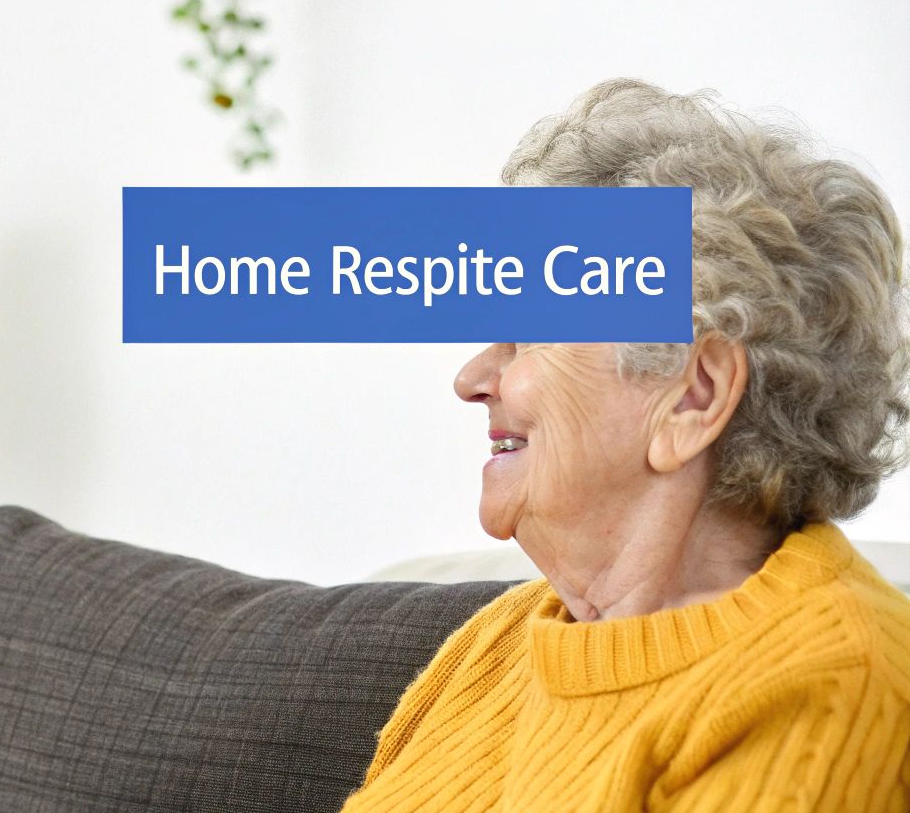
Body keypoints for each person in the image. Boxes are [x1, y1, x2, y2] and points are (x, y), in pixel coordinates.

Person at [340, 79, 910, 811]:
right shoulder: (497, 648)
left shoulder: (828, 689)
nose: (472, 379)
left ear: (694, 395)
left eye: (529, 333)